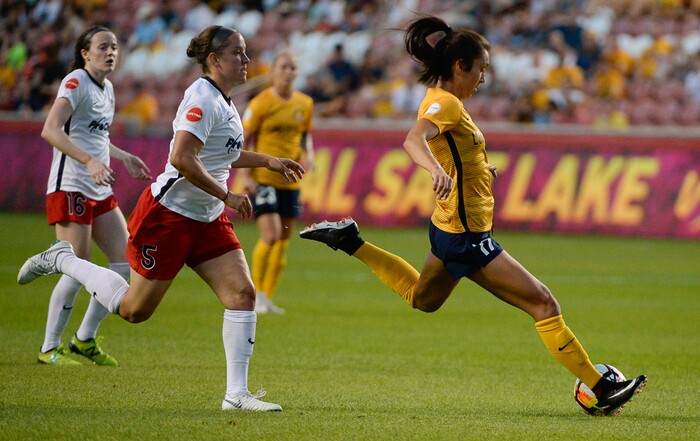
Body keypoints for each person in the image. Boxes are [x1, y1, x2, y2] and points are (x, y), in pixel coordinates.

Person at [299, 16, 646, 417]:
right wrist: (434, 170)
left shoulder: (443, 99)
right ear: (460, 66)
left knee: (422, 300)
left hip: (449, 228)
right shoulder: (445, 103)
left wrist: (480, 171)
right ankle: (601, 387)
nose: (483, 78)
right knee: (544, 304)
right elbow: (414, 140)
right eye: (480, 68)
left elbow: (453, 150)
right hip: (467, 236)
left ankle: (350, 241)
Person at [18, 25, 305, 412]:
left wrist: (268, 160)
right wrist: (228, 195)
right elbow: (182, 158)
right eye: (238, 53)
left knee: (242, 294)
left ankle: (236, 395)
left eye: (246, 52)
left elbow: (223, 154)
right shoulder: (203, 97)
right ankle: (63, 259)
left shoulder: (225, 100)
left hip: (206, 216)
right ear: (215, 60)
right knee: (135, 311)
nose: (247, 60)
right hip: (169, 215)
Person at [37, 25, 152, 366]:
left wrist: (123, 156)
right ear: (85, 53)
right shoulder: (75, 82)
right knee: (77, 268)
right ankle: (48, 347)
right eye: (103, 47)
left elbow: (94, 137)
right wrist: (88, 161)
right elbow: (50, 129)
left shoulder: (109, 89)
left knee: (124, 263)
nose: (110, 52)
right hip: (70, 184)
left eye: (114, 46)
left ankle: (84, 338)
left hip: (98, 187)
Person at [239, 50, 314, 314]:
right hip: (265, 177)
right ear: (273, 71)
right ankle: (256, 294)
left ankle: (267, 297)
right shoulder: (260, 103)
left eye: (293, 68)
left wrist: (310, 155)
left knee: (283, 240)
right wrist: (246, 174)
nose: (288, 72)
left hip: (291, 181)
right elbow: (244, 139)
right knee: (269, 236)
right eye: (283, 67)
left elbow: (305, 134)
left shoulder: (304, 103)